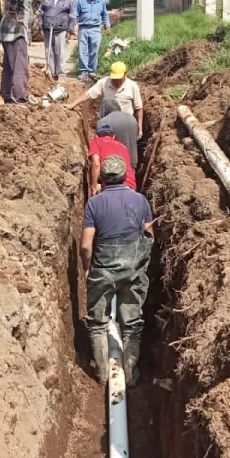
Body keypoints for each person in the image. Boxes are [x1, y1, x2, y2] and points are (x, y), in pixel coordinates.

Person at [80, 155, 153, 388]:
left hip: (103, 271)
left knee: (98, 323)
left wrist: (86, 268)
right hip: (133, 270)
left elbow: (85, 245)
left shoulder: (94, 204)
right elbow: (149, 235)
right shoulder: (140, 200)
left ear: (102, 178)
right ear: (124, 176)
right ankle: (129, 375)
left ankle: (102, 374)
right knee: (132, 325)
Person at [71, 60, 144, 139]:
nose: (116, 81)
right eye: (114, 78)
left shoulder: (132, 86)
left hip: (126, 125)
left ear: (125, 74)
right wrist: (73, 104)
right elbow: (88, 94)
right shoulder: (104, 82)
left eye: (119, 78)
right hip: (108, 127)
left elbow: (138, 108)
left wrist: (140, 128)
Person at [0, 0, 31, 104]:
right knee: (20, 66)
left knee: (9, 64)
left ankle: (7, 94)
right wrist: (13, 11)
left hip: (9, 30)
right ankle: (18, 97)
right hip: (16, 30)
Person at [38, 0, 76, 81]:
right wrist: (40, 26)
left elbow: (73, 16)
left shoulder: (69, 0)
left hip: (61, 30)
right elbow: (40, 13)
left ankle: (61, 73)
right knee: (48, 52)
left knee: (60, 52)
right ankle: (52, 73)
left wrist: (70, 30)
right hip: (47, 30)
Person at [88, 120, 136, 194]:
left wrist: (93, 187)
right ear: (113, 137)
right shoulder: (123, 146)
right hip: (130, 185)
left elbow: (96, 164)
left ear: (96, 136)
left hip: (111, 186)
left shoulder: (96, 141)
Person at [75, 0, 110, 80]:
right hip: (83, 28)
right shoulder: (81, 1)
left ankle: (92, 71)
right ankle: (84, 71)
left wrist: (107, 26)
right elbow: (76, 14)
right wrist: (72, 27)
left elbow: (105, 15)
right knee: (83, 50)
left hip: (95, 29)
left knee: (94, 50)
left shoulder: (101, 2)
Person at [98, 97, 139, 171]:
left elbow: (101, 144)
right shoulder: (132, 119)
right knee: (130, 181)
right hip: (131, 161)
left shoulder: (103, 122)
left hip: (112, 165)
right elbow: (136, 136)